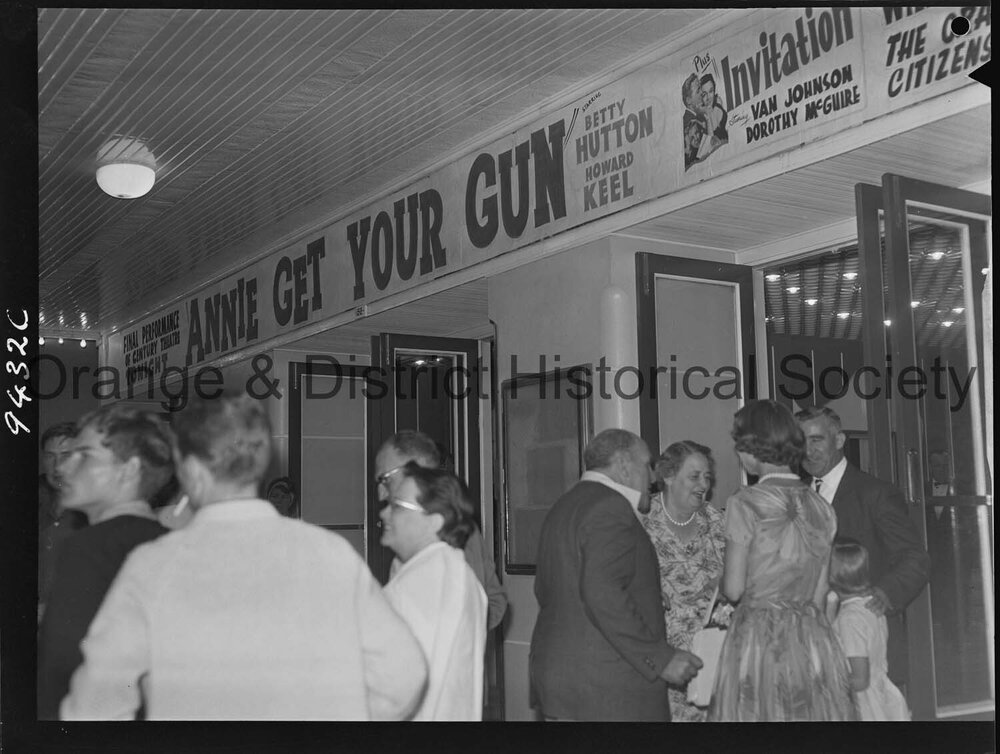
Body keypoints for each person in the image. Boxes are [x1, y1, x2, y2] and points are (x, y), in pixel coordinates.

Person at [61, 391, 427, 721]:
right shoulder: (331, 552)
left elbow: (95, 703)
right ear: (262, 462)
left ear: (189, 471)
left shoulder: (154, 566)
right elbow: (404, 673)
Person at [530, 429, 703, 721]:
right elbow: (601, 593)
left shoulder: (564, 506)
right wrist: (660, 658)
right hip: (608, 688)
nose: (652, 478)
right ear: (623, 464)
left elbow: (548, 590)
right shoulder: (610, 508)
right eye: (647, 465)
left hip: (565, 681)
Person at [708, 400, 856, 721]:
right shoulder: (822, 507)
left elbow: (733, 589)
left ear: (751, 449)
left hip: (759, 637)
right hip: (812, 637)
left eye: (739, 445)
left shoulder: (745, 502)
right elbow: (819, 594)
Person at [37, 407, 172, 719]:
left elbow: (61, 673)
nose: (64, 468)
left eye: (83, 455)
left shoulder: (86, 549)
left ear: (128, 470)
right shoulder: (168, 543)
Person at [796, 405, 930, 690]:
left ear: (840, 441)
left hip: (861, 647)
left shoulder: (874, 493)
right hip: (810, 640)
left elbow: (915, 557)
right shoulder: (796, 496)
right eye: (800, 441)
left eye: (816, 440)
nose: (807, 450)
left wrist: (885, 592)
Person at [379, 462, 487, 720]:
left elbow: (389, 686)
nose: (384, 514)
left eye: (397, 506)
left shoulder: (413, 587)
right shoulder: (461, 575)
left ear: (434, 522)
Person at [375, 430, 507, 631]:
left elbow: (492, 601)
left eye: (386, 479)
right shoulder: (407, 540)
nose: (380, 493)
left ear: (417, 471)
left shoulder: (456, 537)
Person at [640, 440, 726, 722]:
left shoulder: (719, 523)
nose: (703, 484)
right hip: (662, 666)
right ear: (667, 476)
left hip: (714, 662)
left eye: (707, 477)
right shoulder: (640, 523)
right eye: (694, 476)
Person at [828, 538, 911, 721]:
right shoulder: (872, 605)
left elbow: (860, 680)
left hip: (863, 705)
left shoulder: (850, 619)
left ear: (831, 577)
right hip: (880, 692)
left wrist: (826, 685)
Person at [38, 422, 88, 612]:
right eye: (50, 457)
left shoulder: (97, 508)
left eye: (66, 456)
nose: (57, 466)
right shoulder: (25, 497)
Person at [699, 73, 728, 143]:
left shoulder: (718, 100)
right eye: (704, 95)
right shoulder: (703, 117)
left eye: (711, 91)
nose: (708, 97)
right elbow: (710, 143)